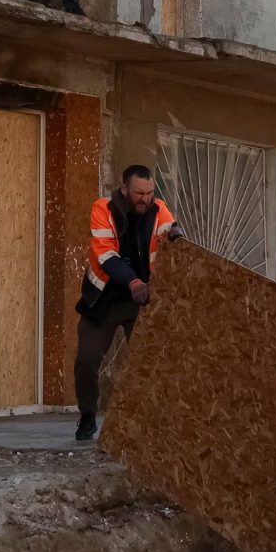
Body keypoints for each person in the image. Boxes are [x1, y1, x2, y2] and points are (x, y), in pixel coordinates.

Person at [71, 165, 180, 442]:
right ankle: (87, 416)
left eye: (149, 192)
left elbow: (169, 229)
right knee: (86, 360)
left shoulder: (158, 209)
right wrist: (133, 282)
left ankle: (155, 424)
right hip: (104, 300)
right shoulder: (103, 209)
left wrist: (177, 236)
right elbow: (106, 256)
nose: (145, 198)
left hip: (142, 301)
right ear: (124, 190)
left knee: (153, 361)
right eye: (139, 193)